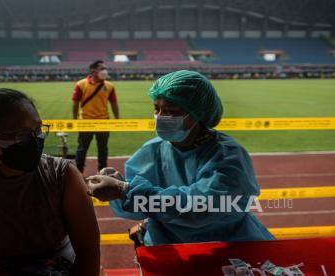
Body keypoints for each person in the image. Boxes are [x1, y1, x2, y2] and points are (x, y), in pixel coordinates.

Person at [87, 70, 274, 246]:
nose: (161, 117)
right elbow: (137, 207)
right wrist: (118, 188)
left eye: (172, 111)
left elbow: (201, 207)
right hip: (167, 246)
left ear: (197, 113)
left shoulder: (227, 156)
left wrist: (125, 190)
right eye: (157, 109)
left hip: (230, 245)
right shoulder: (153, 151)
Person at [0, 88, 100, 276]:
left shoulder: (63, 174)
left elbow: (88, 250)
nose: (34, 139)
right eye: (20, 135)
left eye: (38, 129)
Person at [71, 60, 119, 173]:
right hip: (85, 122)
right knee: (82, 149)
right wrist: (74, 120)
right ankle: (78, 172)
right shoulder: (81, 84)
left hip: (103, 121)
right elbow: (75, 102)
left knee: (103, 149)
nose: (105, 71)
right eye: (102, 68)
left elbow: (114, 103)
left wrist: (117, 120)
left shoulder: (109, 86)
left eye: (105, 68)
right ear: (93, 71)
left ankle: (102, 172)